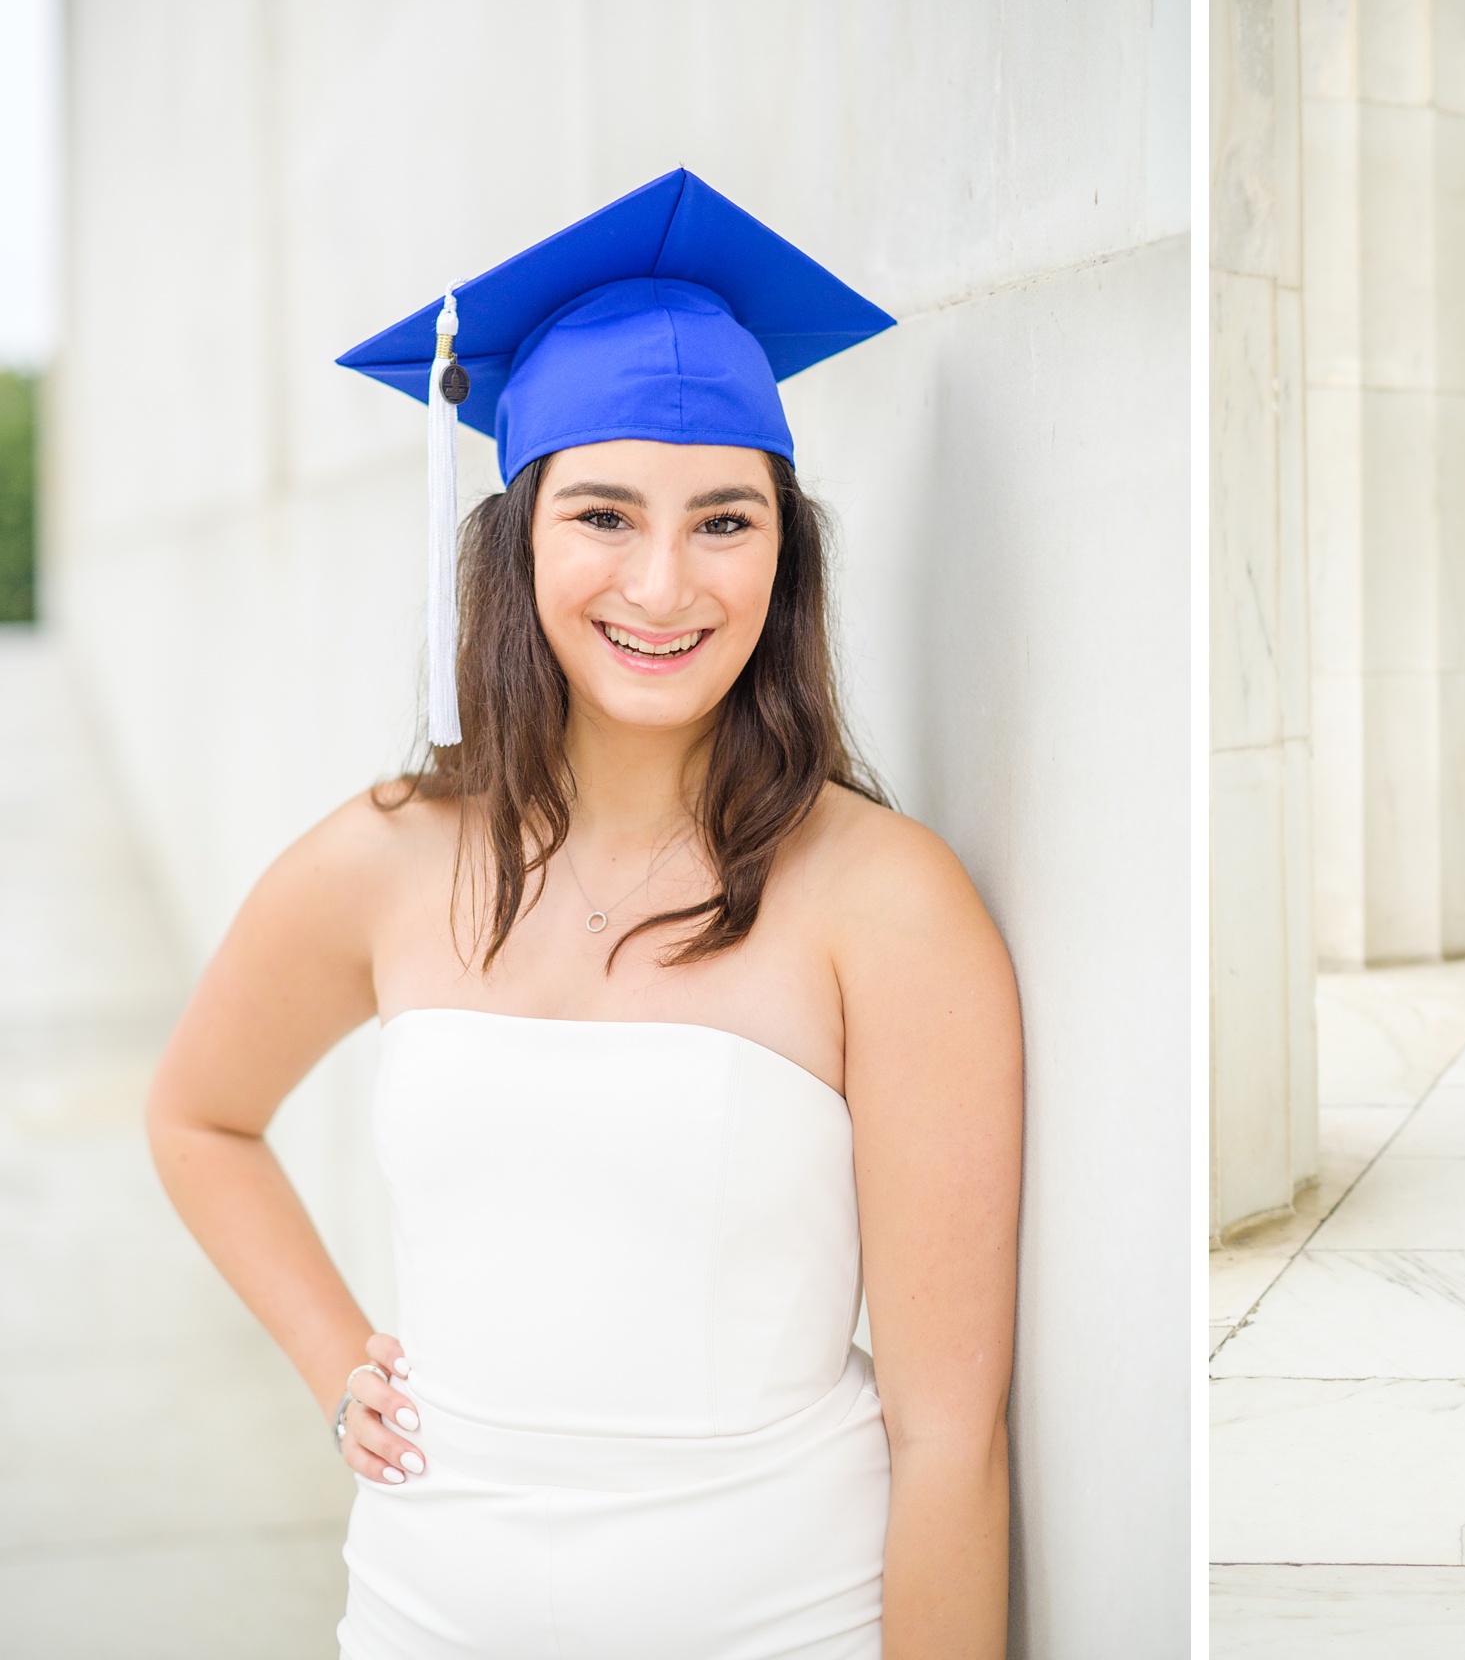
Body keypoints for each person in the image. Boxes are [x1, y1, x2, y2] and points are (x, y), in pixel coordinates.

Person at [144, 169, 1024, 1658]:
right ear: (518, 539)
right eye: (604, 513)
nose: (664, 583)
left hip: (774, 1620)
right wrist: (335, 1361)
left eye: (725, 520)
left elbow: (953, 1443)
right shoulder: (392, 860)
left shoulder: (883, 902)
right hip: (426, 1614)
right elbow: (197, 1117)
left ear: (787, 551)